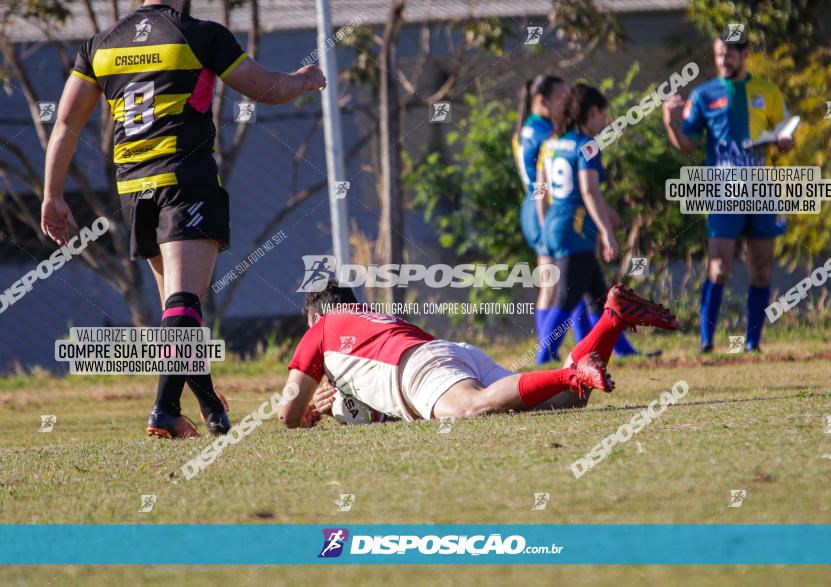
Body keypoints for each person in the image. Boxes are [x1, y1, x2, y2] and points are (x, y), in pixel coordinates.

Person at [41, 0, 327, 438]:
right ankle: (165, 410)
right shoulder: (200, 35)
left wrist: (53, 194)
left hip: (134, 189)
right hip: (184, 182)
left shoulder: (100, 45)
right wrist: (304, 79)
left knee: (178, 308)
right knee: (184, 306)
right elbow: (267, 88)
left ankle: (212, 407)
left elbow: (63, 124)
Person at [277, 280, 678, 428]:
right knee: (567, 402)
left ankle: (573, 372)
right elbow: (380, 409)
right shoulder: (373, 319)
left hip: (420, 369)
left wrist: (307, 411)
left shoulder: (322, 330)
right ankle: (612, 319)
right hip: (447, 354)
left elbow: (287, 414)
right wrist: (332, 408)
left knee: (470, 409)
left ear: (316, 317)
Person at [662, 35, 793, 353]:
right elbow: (689, 146)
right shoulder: (704, 95)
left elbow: (786, 131)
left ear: (744, 54)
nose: (723, 60)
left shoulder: (768, 91)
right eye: (719, 54)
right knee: (719, 266)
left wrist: (784, 140)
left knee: (761, 267)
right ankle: (706, 341)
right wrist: (670, 124)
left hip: (761, 190)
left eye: (729, 54)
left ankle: (752, 343)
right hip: (723, 192)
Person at [533, 83, 641, 363]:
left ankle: (623, 350)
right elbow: (589, 191)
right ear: (592, 112)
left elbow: (542, 188)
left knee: (599, 295)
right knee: (566, 299)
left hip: (555, 222)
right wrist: (607, 232)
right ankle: (543, 357)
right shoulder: (587, 147)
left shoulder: (551, 144)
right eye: (603, 115)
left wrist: (546, 225)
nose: (604, 122)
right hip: (575, 227)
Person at [512, 75, 568, 351]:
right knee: (554, 283)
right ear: (543, 100)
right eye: (561, 97)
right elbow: (540, 181)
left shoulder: (538, 126)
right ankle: (545, 353)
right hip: (540, 207)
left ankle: (551, 351)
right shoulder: (538, 131)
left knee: (561, 283)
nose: (566, 103)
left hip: (539, 207)